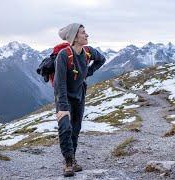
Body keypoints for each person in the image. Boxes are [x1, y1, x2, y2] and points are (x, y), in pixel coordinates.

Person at [54, 23, 106, 177]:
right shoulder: (63, 55)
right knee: (65, 127)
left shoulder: (88, 52)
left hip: (80, 95)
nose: (87, 35)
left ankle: (73, 158)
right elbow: (59, 84)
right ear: (74, 37)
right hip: (64, 96)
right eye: (83, 33)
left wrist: (87, 73)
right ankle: (68, 162)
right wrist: (63, 107)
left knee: (75, 129)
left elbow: (101, 59)